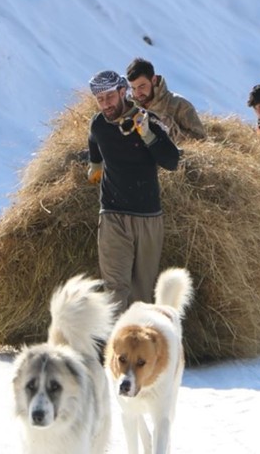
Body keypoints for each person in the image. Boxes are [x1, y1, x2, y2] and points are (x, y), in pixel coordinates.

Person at [86, 70, 180, 311]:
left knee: (142, 293)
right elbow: (94, 139)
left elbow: (172, 161)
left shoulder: (148, 120)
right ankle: (113, 348)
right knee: (115, 288)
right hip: (112, 216)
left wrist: (147, 135)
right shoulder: (99, 124)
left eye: (109, 97)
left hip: (147, 217)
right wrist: (95, 163)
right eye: (100, 99)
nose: (105, 104)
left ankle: (137, 346)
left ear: (122, 92)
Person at [126, 57, 207, 142]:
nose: (137, 93)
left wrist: (171, 131)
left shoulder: (179, 105)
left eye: (142, 86)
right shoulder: (129, 107)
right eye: (133, 88)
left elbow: (201, 138)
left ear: (153, 80)